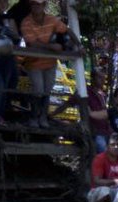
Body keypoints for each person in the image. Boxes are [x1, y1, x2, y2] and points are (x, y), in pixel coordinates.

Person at [20, 0, 69, 128]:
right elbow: (32, 43)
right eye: (33, 4)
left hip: (51, 63)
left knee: (47, 91)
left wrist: (78, 45)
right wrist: (52, 47)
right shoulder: (26, 22)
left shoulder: (52, 20)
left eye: (38, 4)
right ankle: (34, 117)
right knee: (38, 90)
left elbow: (66, 30)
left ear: (44, 5)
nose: (36, 6)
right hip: (34, 62)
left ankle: (43, 118)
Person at [86, 69, 113, 151]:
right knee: (104, 152)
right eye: (100, 77)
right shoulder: (86, 91)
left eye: (104, 78)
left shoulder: (102, 93)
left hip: (106, 130)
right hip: (95, 131)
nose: (103, 80)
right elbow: (69, 103)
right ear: (92, 78)